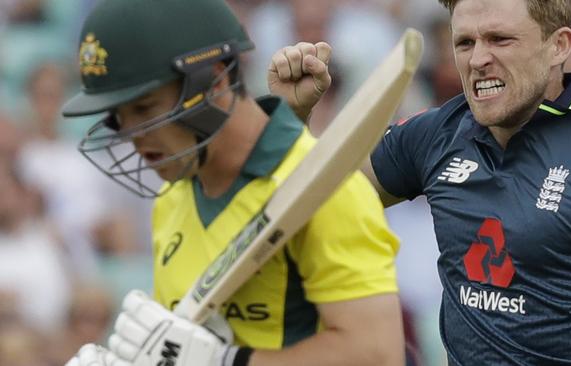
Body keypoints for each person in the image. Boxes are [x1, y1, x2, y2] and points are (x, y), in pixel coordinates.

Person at [270, 0, 571, 364]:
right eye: (465, 42)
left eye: (500, 39)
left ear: (559, 45)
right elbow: (307, 203)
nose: (478, 60)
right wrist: (290, 116)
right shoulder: (436, 134)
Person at [62, 0, 405, 365]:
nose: (132, 136)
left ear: (214, 79)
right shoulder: (171, 198)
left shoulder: (326, 189)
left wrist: (225, 361)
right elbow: (180, 348)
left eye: (144, 108)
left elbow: (377, 354)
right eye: (119, 117)